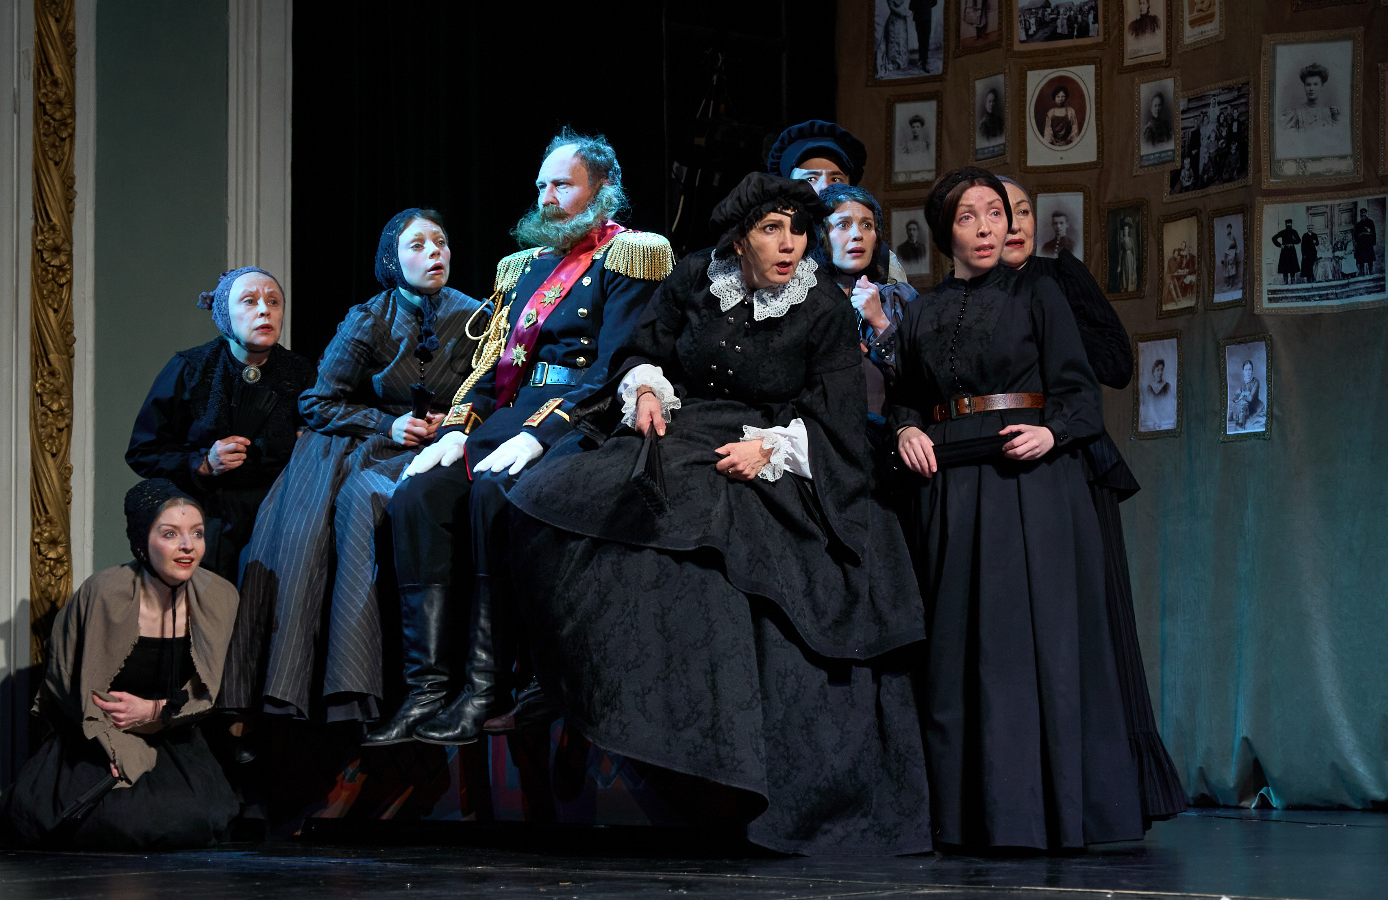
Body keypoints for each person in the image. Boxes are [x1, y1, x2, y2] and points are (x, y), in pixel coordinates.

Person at [505, 172, 930, 856]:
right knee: (558, 500)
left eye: (798, 231)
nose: (789, 244)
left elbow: (841, 417)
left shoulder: (821, 303)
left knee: (721, 551)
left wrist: (772, 448)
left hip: (775, 444)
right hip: (685, 428)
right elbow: (644, 350)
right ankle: (572, 689)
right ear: (739, 239)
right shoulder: (697, 277)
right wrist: (647, 391)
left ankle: (713, 767)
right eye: (771, 230)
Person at [376, 129, 673, 746]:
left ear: (603, 190)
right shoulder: (523, 267)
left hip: (586, 416)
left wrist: (544, 433)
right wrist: (456, 429)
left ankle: (486, 688)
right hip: (510, 415)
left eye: (562, 184)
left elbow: (614, 365)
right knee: (417, 496)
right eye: (542, 185)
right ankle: (427, 688)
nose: (547, 197)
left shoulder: (633, 255)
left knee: (494, 494)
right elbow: (493, 364)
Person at [891, 166, 1147, 849]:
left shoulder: (1038, 292)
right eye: (968, 217)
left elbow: (1079, 393)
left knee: (1025, 649)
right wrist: (906, 429)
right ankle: (961, 819)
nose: (987, 228)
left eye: (996, 214)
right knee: (955, 654)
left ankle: (1034, 816)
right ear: (945, 231)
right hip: (949, 486)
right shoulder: (920, 311)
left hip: (1027, 482)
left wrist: (1052, 432)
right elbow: (907, 396)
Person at [219, 209, 489, 730]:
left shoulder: (479, 317)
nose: (434, 252)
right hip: (382, 443)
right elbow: (318, 402)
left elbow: (497, 388)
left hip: (453, 444)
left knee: (376, 497)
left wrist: (457, 421)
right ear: (392, 260)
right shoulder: (370, 318)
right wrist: (388, 425)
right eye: (417, 245)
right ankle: (341, 689)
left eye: (440, 242)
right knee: (340, 507)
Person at [998, 175, 1186, 828]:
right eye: (999, 213)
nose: (1015, 224)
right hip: (997, 467)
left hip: (1073, 458)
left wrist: (1051, 340)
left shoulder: (1057, 277)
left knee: (1096, 618)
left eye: (1024, 211)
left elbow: (1115, 364)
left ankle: (1117, 788)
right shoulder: (962, 297)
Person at [0, 480, 240, 849]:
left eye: (197, 533)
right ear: (142, 541)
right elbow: (68, 679)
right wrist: (113, 743)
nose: (188, 546)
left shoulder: (219, 596)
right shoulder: (105, 592)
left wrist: (154, 711)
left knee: (183, 820)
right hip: (97, 733)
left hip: (171, 733)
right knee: (108, 821)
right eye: (170, 533)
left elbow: (209, 687)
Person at [126, 268, 316, 585]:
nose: (265, 310)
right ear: (225, 314)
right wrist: (203, 463)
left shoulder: (300, 373)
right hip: (208, 523)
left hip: (278, 522)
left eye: (273, 301)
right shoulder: (191, 369)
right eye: (249, 301)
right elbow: (143, 451)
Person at [815, 183, 917, 417]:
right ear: (822, 235)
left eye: (867, 225)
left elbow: (920, 383)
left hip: (889, 431)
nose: (857, 234)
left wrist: (879, 321)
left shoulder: (900, 299)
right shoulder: (802, 303)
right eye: (843, 224)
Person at [766, 120, 909, 283]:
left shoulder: (880, 259)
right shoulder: (770, 252)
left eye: (835, 179)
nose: (825, 187)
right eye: (810, 179)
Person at [1281, 63, 1343, 133]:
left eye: (1315, 84)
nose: (1311, 88)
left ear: (1322, 86)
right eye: (1308, 85)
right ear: (1304, 86)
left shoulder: (1331, 114)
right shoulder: (1296, 115)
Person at [879, 0, 912, 76]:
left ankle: (901, 62)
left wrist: (905, 12)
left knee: (902, 39)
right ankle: (894, 62)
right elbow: (891, 7)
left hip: (902, 20)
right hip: (894, 19)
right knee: (894, 40)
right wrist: (903, 13)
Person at [1140, 358, 1174, 432]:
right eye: (1158, 370)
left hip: (1165, 421)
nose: (1160, 372)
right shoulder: (1149, 387)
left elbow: (1170, 406)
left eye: (1161, 370)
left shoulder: (1167, 386)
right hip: (1152, 422)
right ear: (1153, 372)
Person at [1230, 359, 1262, 430]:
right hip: (1245, 409)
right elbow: (1237, 398)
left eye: (1249, 369)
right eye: (1246, 370)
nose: (1248, 372)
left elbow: (1250, 398)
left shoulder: (1256, 382)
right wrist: (1241, 396)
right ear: (1243, 371)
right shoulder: (1243, 384)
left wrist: (1242, 395)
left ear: (1252, 371)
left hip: (1255, 408)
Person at [1110, 217, 1139, 293]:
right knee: (1124, 274)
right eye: (1125, 229)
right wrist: (1119, 265)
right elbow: (1120, 253)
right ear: (1123, 230)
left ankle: (1130, 289)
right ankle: (1125, 288)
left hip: (1130, 258)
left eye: (1127, 229)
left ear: (1128, 230)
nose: (1126, 231)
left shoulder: (1131, 239)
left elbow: (1133, 251)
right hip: (1124, 258)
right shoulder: (1122, 240)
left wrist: (1134, 264)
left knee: (1130, 272)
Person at [1272, 219, 1302, 285]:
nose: (1289, 225)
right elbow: (1274, 238)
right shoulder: (1283, 232)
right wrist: (1280, 245)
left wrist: (1294, 240)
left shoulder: (1294, 232)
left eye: (1290, 223)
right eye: (1287, 223)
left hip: (1292, 250)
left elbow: (1299, 240)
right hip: (1285, 251)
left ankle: (1293, 280)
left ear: (1291, 224)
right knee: (1285, 265)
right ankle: (1285, 281)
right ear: (1285, 224)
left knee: (1292, 265)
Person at [1353, 207, 1377, 277]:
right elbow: (1355, 235)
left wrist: (1373, 242)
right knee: (1361, 257)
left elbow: (1374, 232)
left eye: (1364, 213)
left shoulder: (1370, 222)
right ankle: (1362, 271)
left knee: (1370, 257)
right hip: (1361, 244)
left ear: (1366, 213)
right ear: (1360, 214)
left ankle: (1371, 270)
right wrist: (1360, 236)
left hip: (1368, 243)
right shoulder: (1358, 224)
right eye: (1361, 213)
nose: (1363, 214)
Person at [1221, 222, 1240, 289]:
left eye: (1229, 228)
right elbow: (1225, 246)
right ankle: (1229, 283)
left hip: (1232, 255)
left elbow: (1236, 245)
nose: (1228, 229)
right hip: (1227, 256)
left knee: (1232, 270)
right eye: (1227, 228)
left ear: (1231, 228)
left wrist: (1233, 251)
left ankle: (1231, 284)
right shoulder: (1226, 236)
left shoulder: (1233, 236)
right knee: (1228, 271)